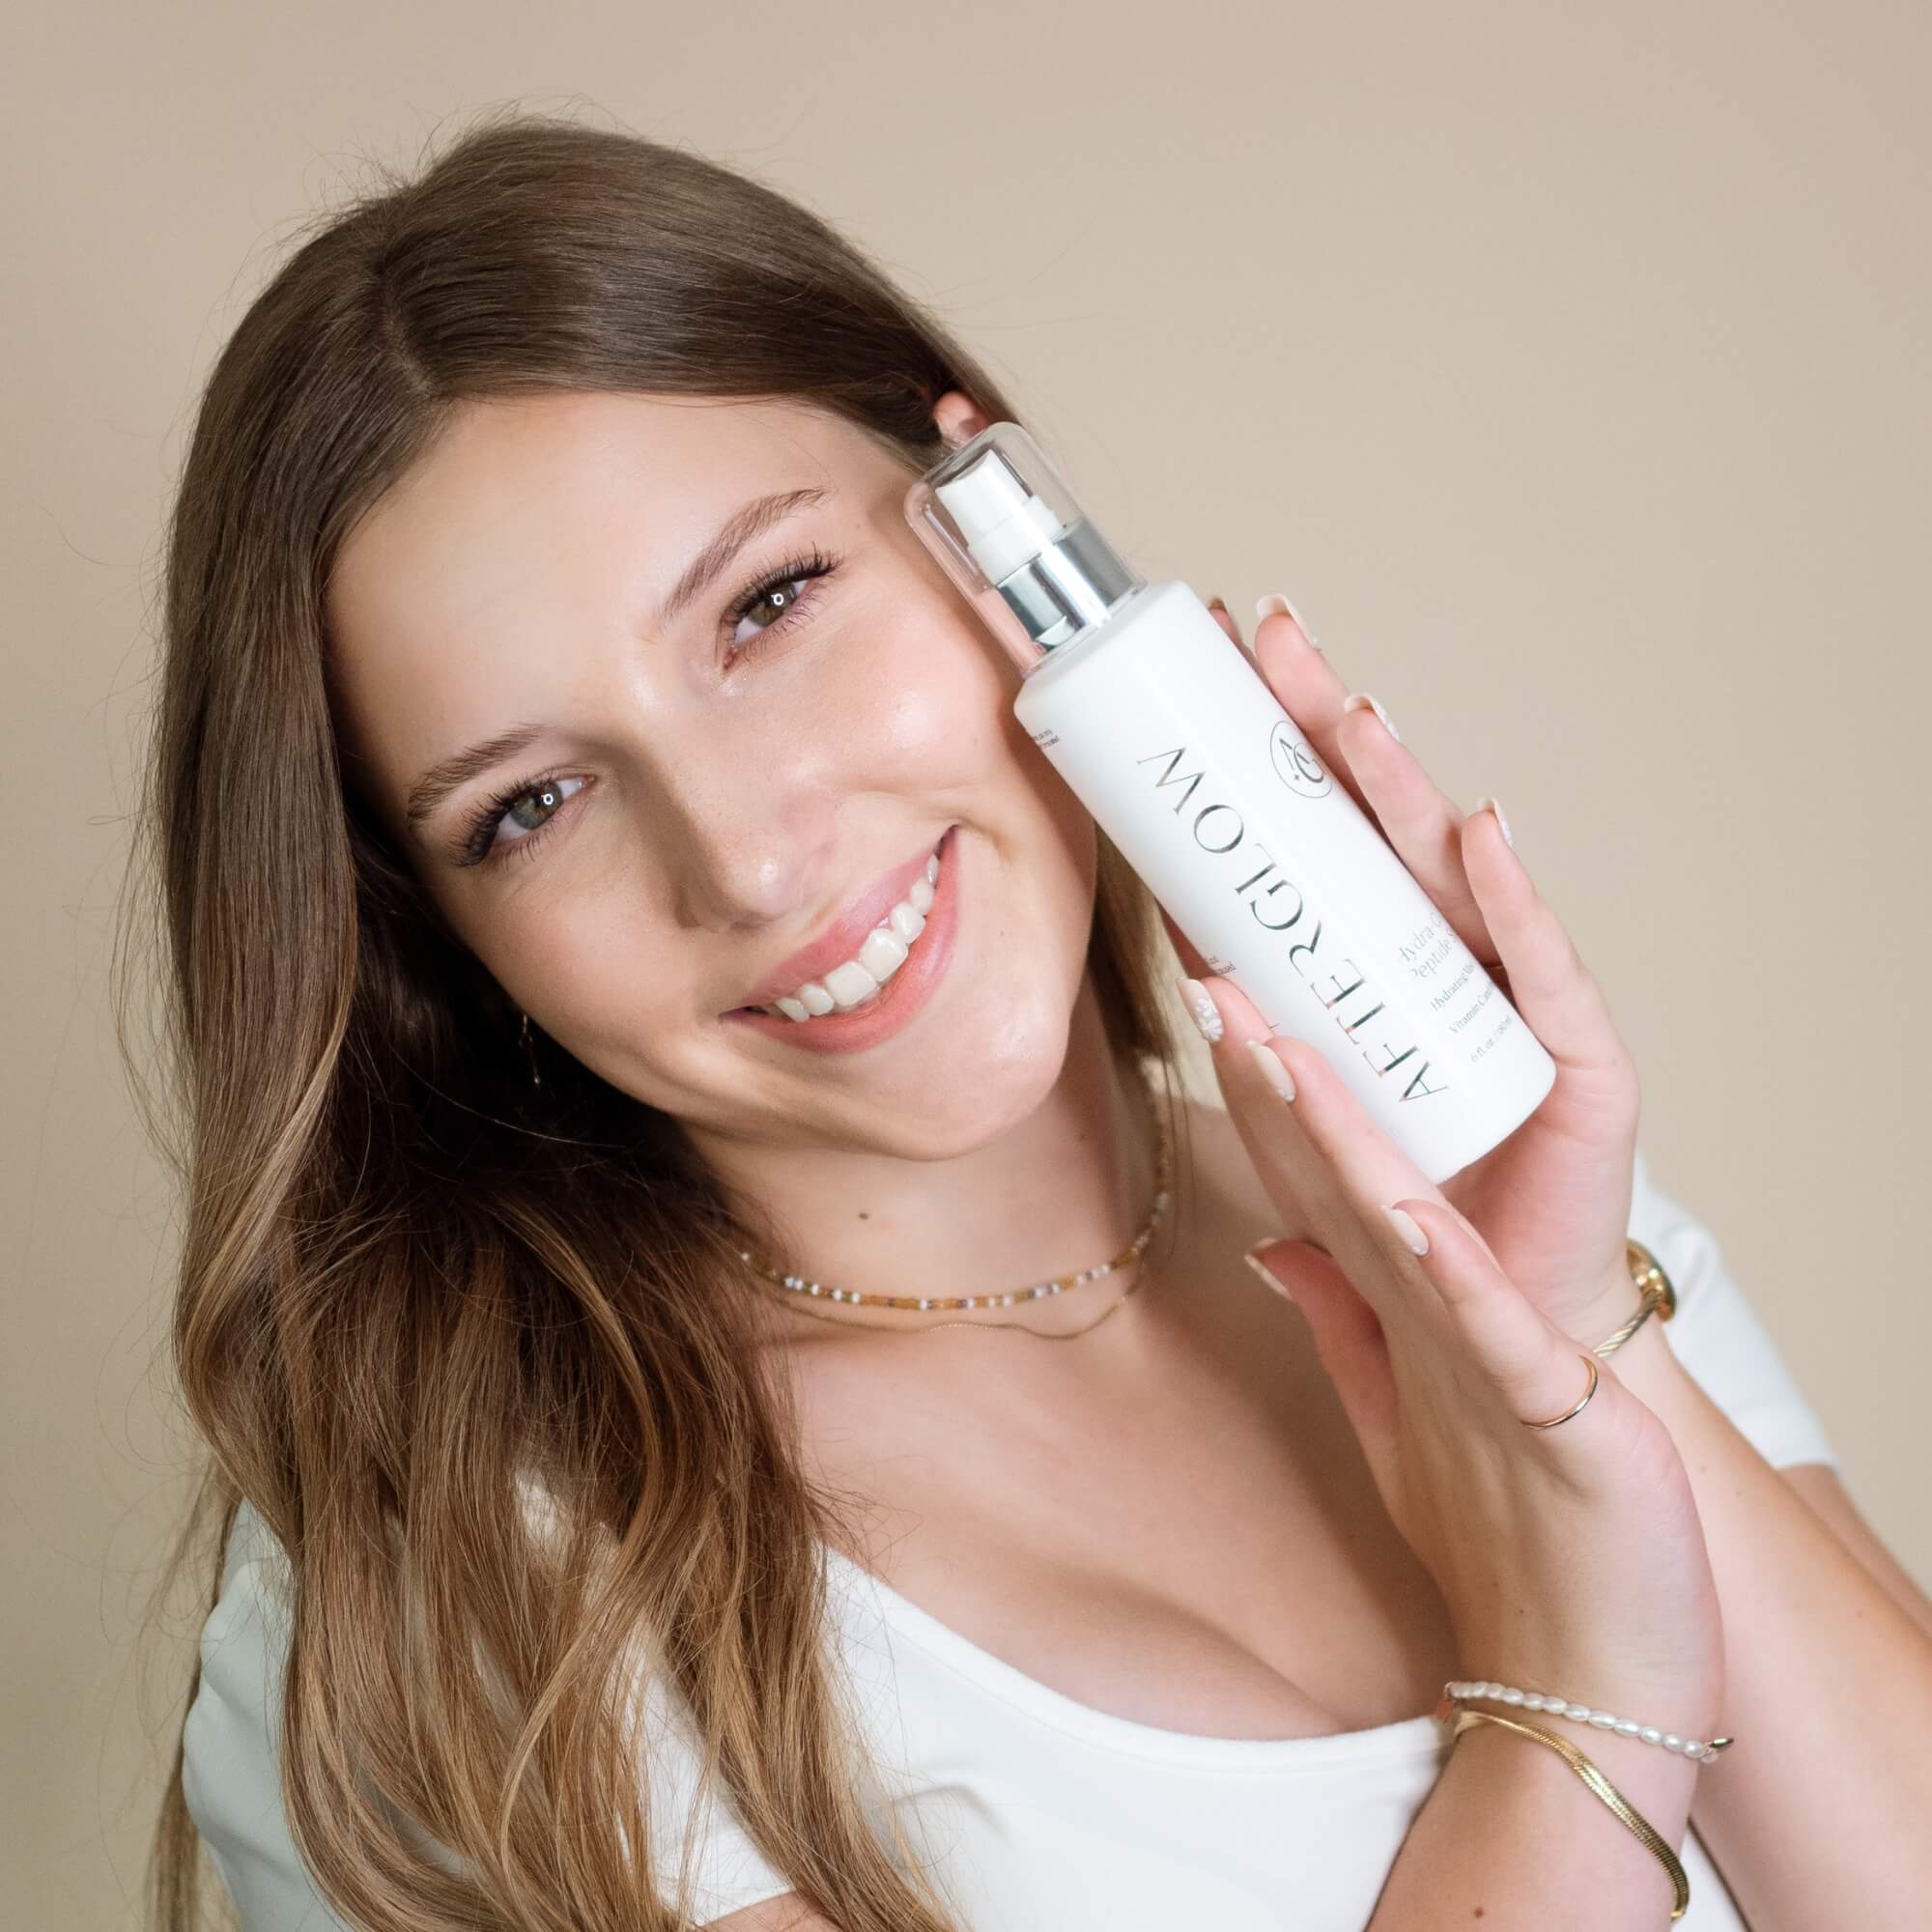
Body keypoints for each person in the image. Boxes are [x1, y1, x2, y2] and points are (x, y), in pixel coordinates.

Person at [131, 112, 1932, 1932]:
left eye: (770, 604)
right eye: (530, 805)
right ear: (435, 940)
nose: (750, 861)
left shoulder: (1543, 1250)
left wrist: (1561, 1334)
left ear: (991, 514)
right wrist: (1586, 1711)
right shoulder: (467, 1619)